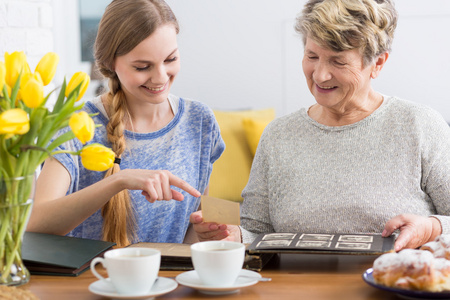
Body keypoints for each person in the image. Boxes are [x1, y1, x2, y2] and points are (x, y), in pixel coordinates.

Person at [191, 0, 450, 252]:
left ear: (378, 63)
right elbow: (256, 231)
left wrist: (433, 227)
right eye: (312, 56)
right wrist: (231, 234)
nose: (319, 75)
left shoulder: (419, 125)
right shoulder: (279, 135)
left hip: (393, 285)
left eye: (338, 61)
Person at [27, 0, 225, 247]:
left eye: (170, 59)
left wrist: (210, 230)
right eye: (143, 67)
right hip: (90, 282)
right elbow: (35, 223)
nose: (161, 77)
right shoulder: (77, 125)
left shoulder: (200, 121)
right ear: (111, 64)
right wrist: (118, 181)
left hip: (168, 282)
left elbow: (189, 235)